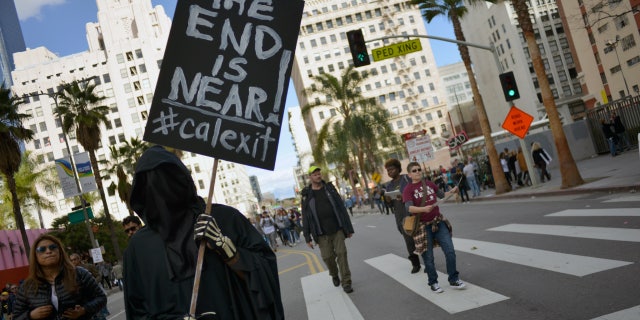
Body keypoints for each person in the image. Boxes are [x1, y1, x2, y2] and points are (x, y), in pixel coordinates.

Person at [124, 145, 283, 319]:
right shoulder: (139, 248)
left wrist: (227, 249)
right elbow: (137, 312)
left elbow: (265, 273)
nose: (163, 192)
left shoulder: (224, 219)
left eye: (168, 180)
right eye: (153, 185)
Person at [402, 162, 466, 294]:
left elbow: (442, 195)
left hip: (438, 222)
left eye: (419, 169)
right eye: (414, 170)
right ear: (409, 174)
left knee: (450, 251)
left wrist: (453, 191)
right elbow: (409, 207)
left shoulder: (429, 184)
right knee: (429, 258)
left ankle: (454, 279)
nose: (418, 172)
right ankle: (433, 282)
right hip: (422, 227)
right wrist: (423, 209)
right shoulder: (408, 189)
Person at [12, 234, 106, 320]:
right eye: (42, 249)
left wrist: (83, 310)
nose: (48, 251)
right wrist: (31, 315)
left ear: (60, 252)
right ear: (35, 256)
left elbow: (101, 297)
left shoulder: (79, 274)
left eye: (53, 247)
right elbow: (16, 317)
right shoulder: (27, 286)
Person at [301, 166, 355, 293]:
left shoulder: (329, 189)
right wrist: (307, 237)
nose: (318, 176)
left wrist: (348, 228)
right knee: (327, 257)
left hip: (337, 229)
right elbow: (306, 217)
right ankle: (334, 274)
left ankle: (346, 282)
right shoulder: (306, 195)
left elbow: (341, 208)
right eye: (315, 175)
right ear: (310, 177)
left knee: (342, 254)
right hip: (321, 233)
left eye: (319, 174)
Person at [384, 158, 421, 274]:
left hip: (413, 213)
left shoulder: (407, 178)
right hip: (400, 216)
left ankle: (428, 260)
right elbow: (390, 205)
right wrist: (388, 200)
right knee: (409, 241)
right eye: (388, 171)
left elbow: (417, 192)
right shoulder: (389, 186)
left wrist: (404, 197)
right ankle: (415, 263)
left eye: (392, 169)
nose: (390, 172)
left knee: (421, 237)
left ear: (398, 169)